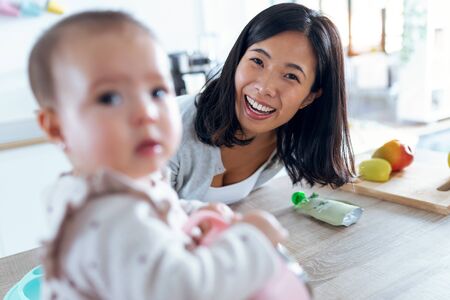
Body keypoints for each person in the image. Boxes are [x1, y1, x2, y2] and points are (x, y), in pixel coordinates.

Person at [29, 11, 288, 299]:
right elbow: (185, 290)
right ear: (57, 127)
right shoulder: (109, 215)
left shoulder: (119, 182)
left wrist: (192, 211)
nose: (147, 113)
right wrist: (253, 243)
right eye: (110, 98)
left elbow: (155, 210)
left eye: (156, 92)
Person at [169, 3, 355, 204]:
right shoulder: (171, 130)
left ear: (309, 97)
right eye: (258, 61)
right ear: (239, 58)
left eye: (291, 76)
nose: (265, 87)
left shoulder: (284, 142)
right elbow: (138, 217)